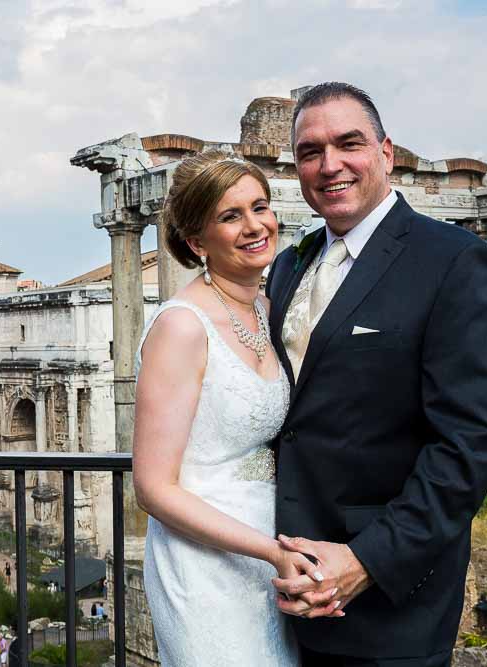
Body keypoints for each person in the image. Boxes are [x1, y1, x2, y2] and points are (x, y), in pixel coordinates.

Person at [264, 82, 487, 666]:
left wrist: (367, 562)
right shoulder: (287, 265)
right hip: (278, 586)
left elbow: (467, 444)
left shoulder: (453, 260)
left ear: (385, 152)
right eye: (309, 151)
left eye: (348, 143)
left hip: (385, 599)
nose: (329, 165)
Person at [133, 150, 322, 666]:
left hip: (270, 552)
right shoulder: (182, 326)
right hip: (203, 563)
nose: (254, 226)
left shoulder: (268, 308)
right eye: (230, 216)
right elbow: (152, 488)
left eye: (259, 207)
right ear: (197, 242)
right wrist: (272, 552)